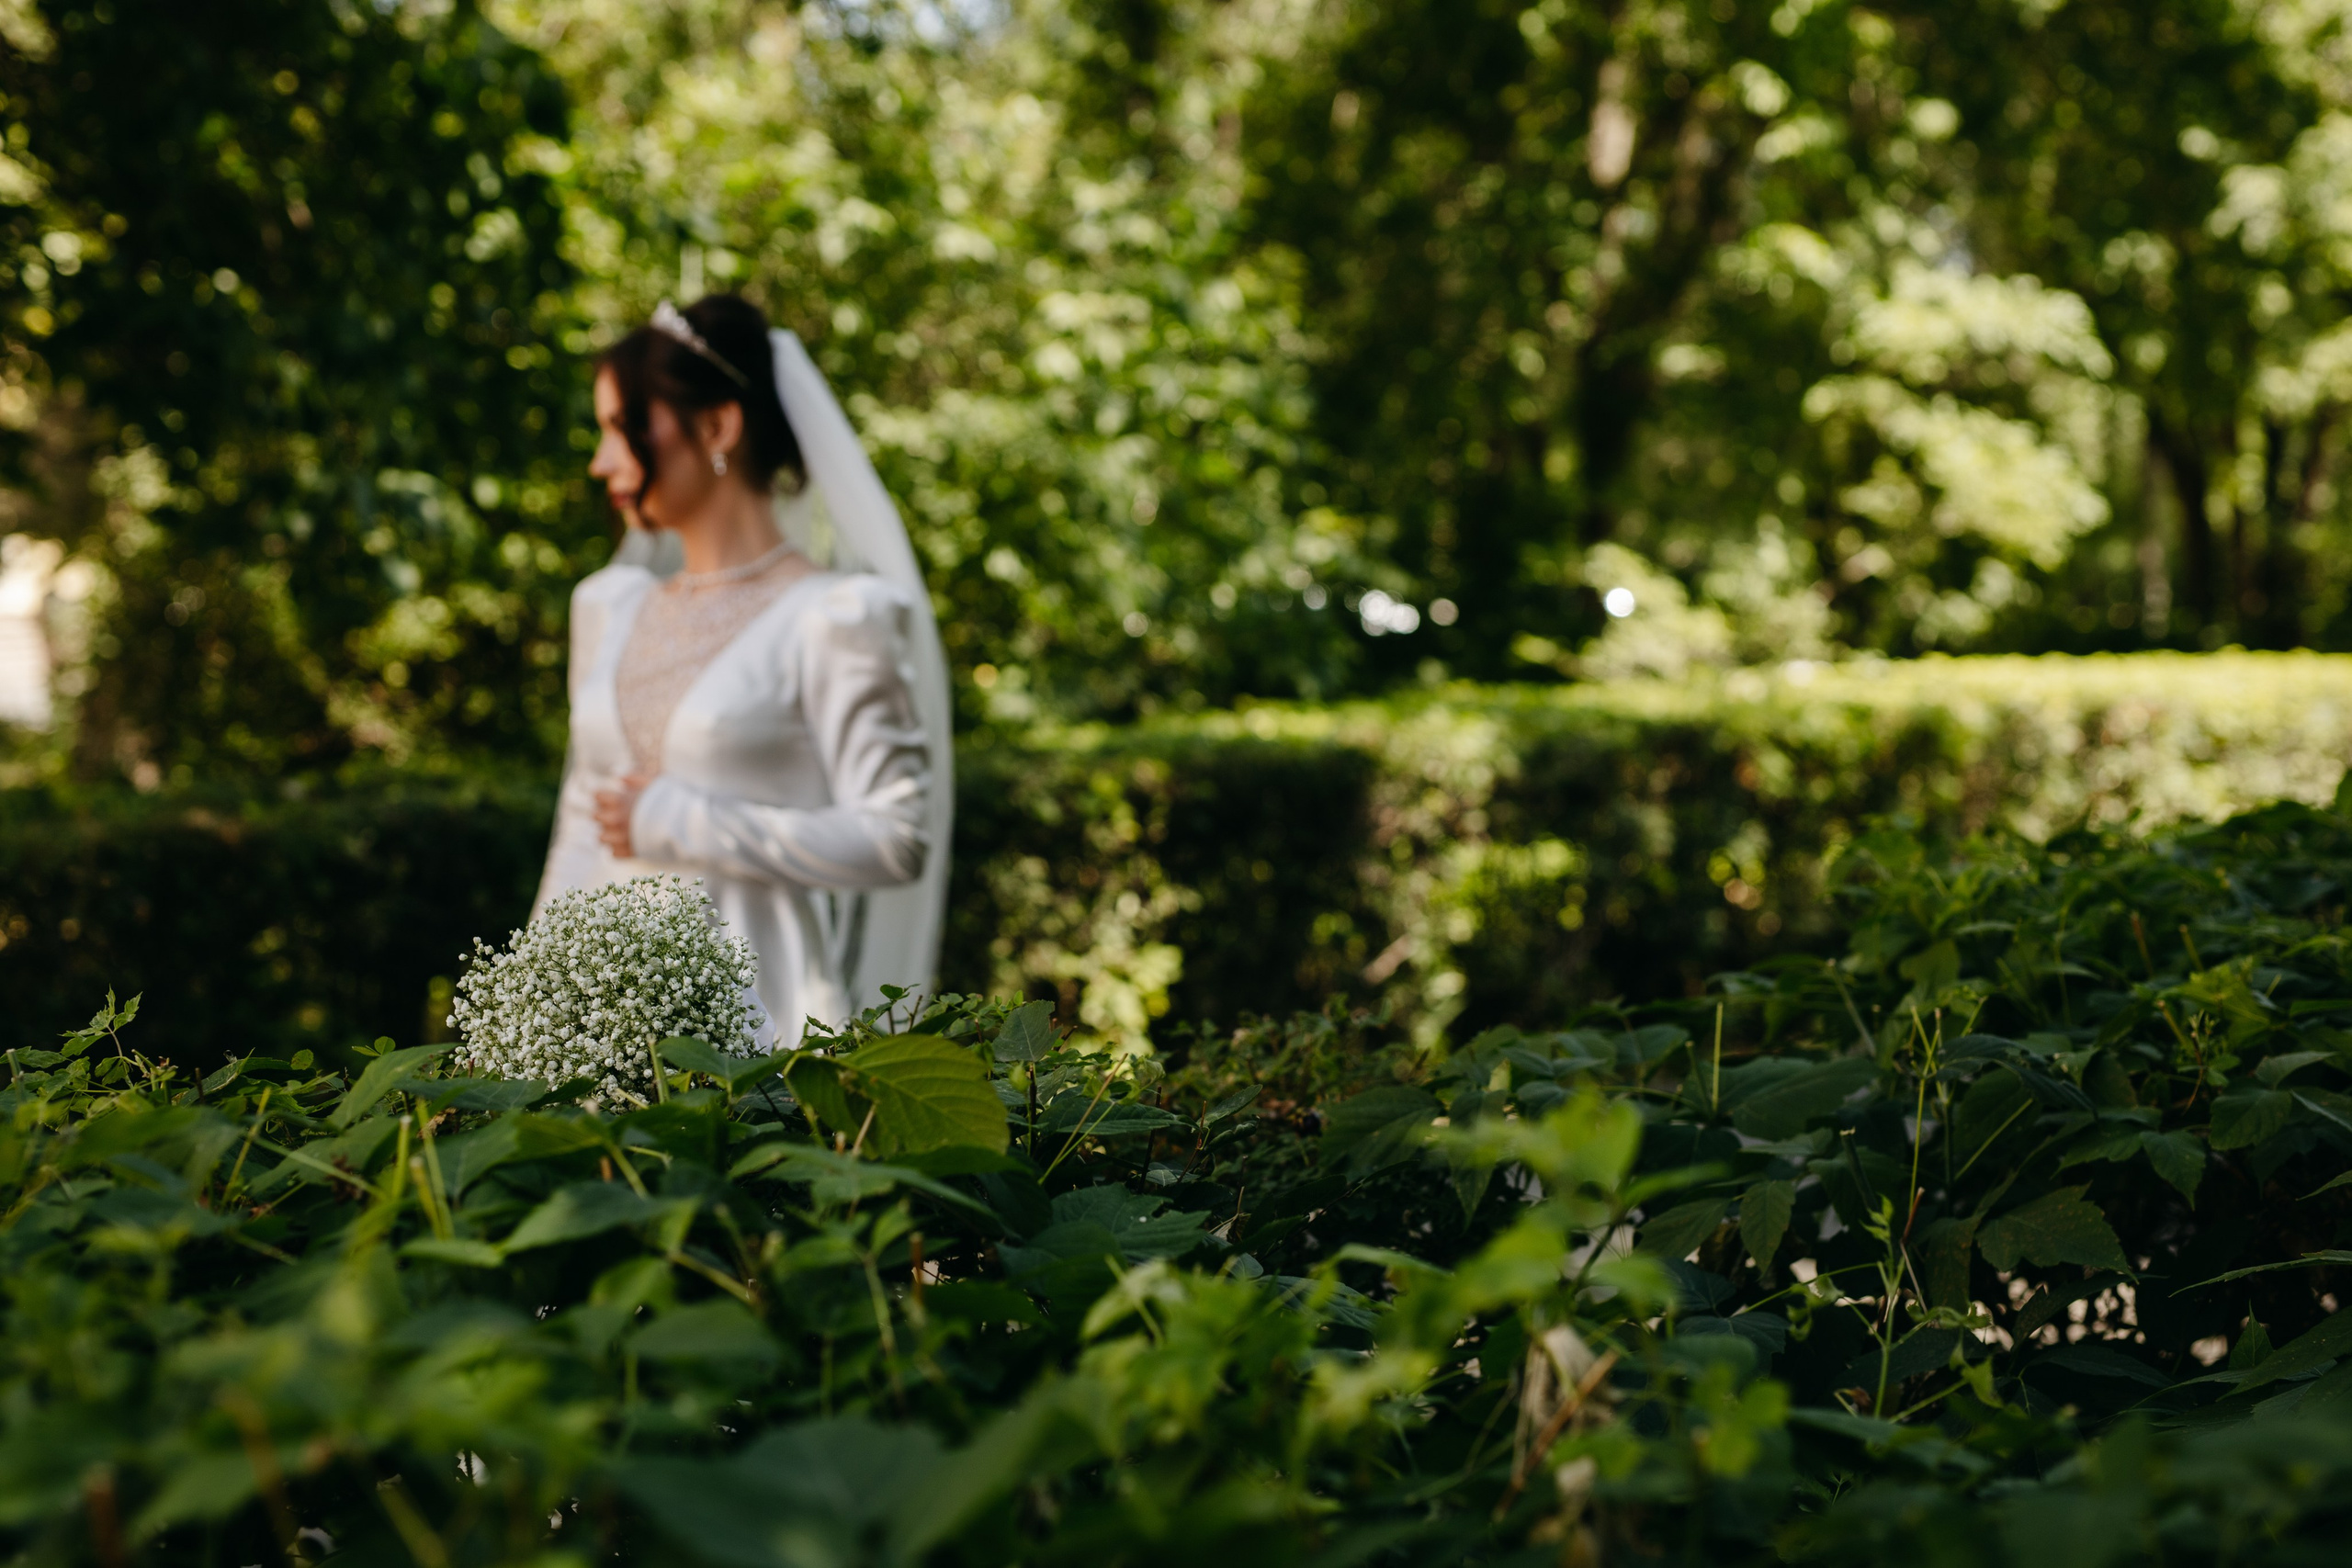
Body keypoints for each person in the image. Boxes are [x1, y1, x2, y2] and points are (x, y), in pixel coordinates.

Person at [534, 294, 955, 1044]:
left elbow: (897, 836)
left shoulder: (836, 616)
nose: (602, 463)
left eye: (621, 430)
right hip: (594, 1027)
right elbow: (579, 826)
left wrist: (682, 821)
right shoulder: (608, 604)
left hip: (762, 1018)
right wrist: (533, 1013)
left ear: (717, 425)